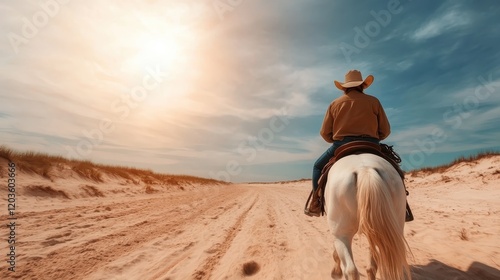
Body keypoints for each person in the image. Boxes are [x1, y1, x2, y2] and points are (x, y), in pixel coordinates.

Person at [305, 70, 391, 217]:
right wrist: (375, 137)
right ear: (362, 85)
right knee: (394, 168)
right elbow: (386, 130)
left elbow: (324, 132)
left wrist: (337, 140)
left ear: (344, 87)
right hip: (371, 143)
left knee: (317, 166)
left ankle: (316, 202)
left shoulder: (335, 104)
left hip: (342, 144)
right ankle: (405, 208)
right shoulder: (374, 101)